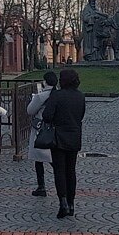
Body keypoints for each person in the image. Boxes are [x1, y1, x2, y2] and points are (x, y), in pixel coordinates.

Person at [38, 68, 86, 219]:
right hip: (74, 136)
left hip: (58, 137)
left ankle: (63, 202)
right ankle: (71, 204)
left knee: (60, 171)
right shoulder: (80, 96)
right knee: (71, 171)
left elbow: (47, 116)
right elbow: (81, 115)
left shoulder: (57, 96)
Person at [25, 69, 57, 196]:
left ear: (45, 82)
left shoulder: (41, 96)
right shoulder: (57, 94)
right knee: (53, 158)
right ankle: (61, 182)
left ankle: (41, 186)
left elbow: (30, 110)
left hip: (41, 129)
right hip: (54, 128)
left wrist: (33, 99)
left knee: (39, 158)